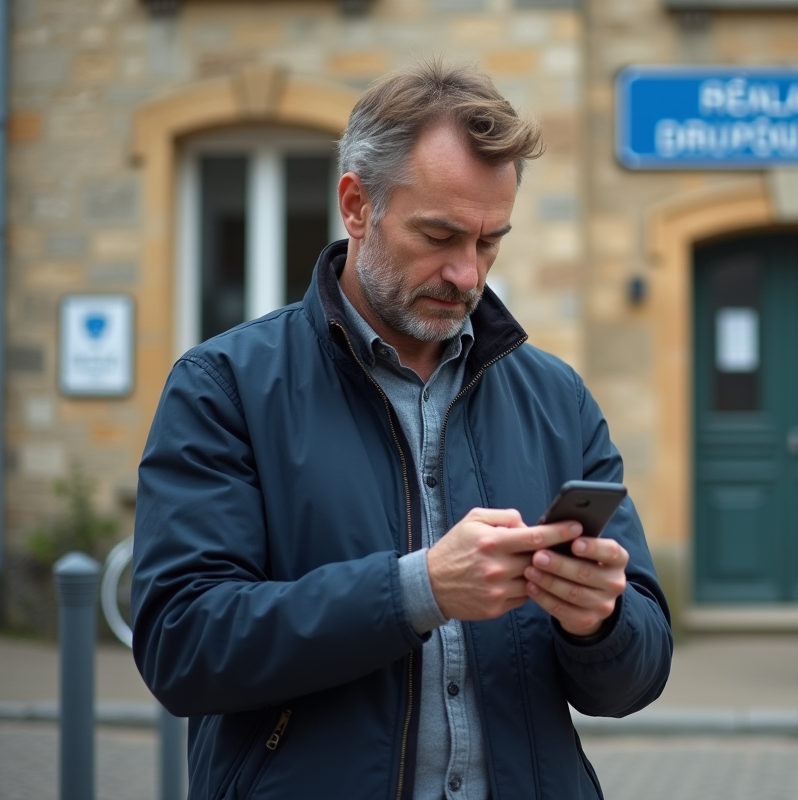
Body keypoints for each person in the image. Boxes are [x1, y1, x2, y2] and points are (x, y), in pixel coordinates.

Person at [131, 61, 672, 800]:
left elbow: (636, 677)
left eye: (489, 242)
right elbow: (181, 646)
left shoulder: (556, 397)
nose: (466, 274)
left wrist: (600, 624)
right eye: (440, 235)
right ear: (357, 205)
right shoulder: (224, 386)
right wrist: (414, 591)